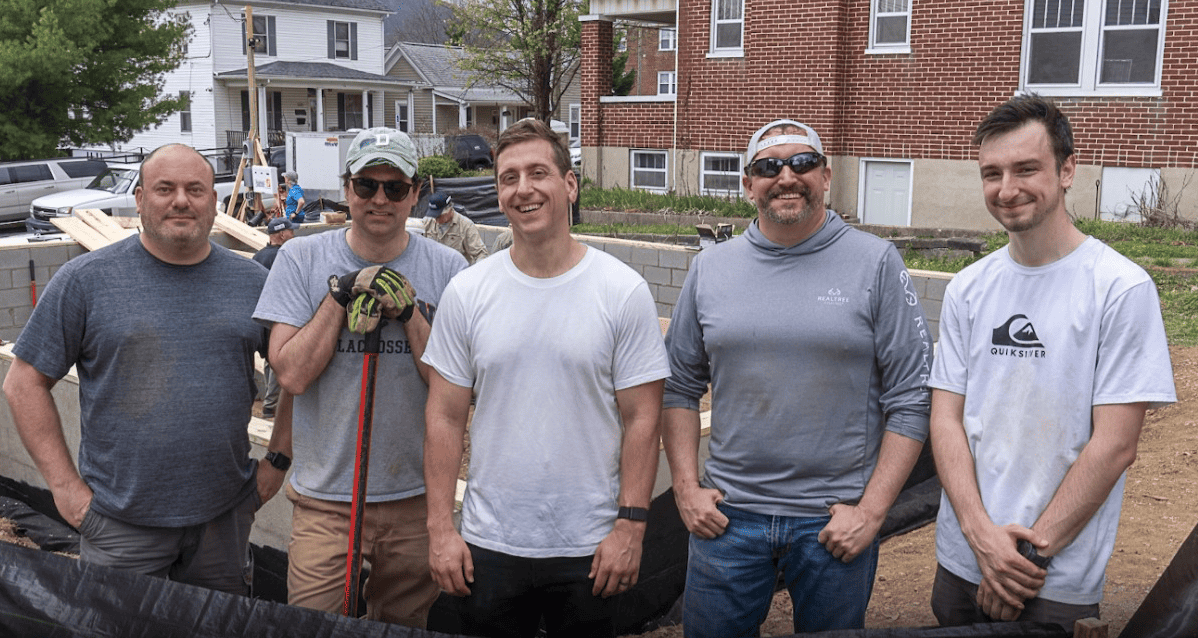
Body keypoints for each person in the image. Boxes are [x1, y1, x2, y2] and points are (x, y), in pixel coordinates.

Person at [661, 119, 932, 636]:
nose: (786, 176)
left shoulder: (875, 264)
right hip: (729, 519)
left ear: (826, 175)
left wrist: (872, 513)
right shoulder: (711, 269)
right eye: (768, 167)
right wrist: (685, 490)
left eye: (802, 162)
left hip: (833, 523)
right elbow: (678, 387)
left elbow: (911, 398)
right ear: (748, 185)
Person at [929, 94, 1177, 629]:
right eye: (991, 173)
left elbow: (1114, 446)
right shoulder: (969, 289)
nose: (1006, 189)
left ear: (1067, 170)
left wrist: (1026, 559)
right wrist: (978, 536)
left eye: (1026, 169)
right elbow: (946, 419)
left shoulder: (1119, 289)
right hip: (961, 560)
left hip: (1052, 576)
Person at [423, 118, 671, 638]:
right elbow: (444, 417)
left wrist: (630, 526)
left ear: (570, 184)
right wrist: (441, 528)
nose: (523, 189)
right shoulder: (468, 293)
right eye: (509, 177)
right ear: (497, 192)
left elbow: (644, 419)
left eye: (539, 173)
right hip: (490, 545)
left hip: (590, 545)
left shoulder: (621, 291)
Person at [2, 143, 276, 595]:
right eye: (164, 188)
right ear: (140, 199)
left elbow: (296, 375)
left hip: (223, 521)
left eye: (196, 189)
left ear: (214, 199)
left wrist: (277, 463)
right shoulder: (86, 280)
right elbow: (23, 383)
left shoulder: (252, 283)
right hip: (120, 526)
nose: (181, 200)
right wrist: (65, 489)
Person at [253, 127, 467, 626]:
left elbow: (453, 388)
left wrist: (411, 313)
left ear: (416, 192)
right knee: (312, 624)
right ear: (347, 187)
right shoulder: (300, 260)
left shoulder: (450, 269)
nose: (380, 199)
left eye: (396, 187)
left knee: (402, 625)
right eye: (367, 185)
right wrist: (338, 297)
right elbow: (291, 374)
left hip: (415, 501)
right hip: (326, 503)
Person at [252, 216, 297, 418]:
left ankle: (271, 403)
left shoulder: (258, 256)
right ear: (281, 234)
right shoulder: (285, 255)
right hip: (279, 316)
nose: (293, 234)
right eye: (290, 231)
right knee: (281, 358)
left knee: (271, 359)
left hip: (260, 316)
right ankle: (271, 405)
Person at [422, 191, 488, 265]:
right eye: (433, 216)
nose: (436, 221)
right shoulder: (427, 222)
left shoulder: (465, 225)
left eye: (438, 216)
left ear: (449, 210)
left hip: (459, 272)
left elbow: (481, 254)